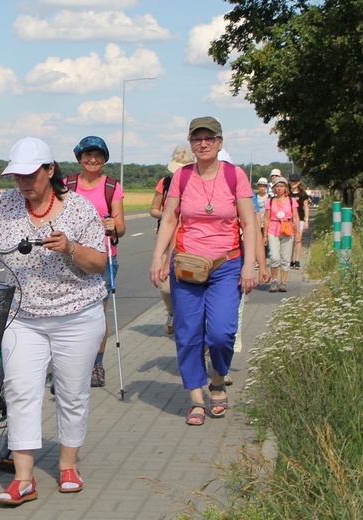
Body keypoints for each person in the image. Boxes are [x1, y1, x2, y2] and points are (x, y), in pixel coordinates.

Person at [0, 137, 107, 506]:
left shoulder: (78, 210)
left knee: (71, 392)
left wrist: (71, 249)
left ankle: (67, 466)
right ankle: (24, 479)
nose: (23, 183)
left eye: (31, 175)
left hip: (76, 314)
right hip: (23, 316)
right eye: (17, 176)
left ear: (50, 170)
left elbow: (99, 263)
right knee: (19, 391)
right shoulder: (3, 203)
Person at [149, 116, 258, 427]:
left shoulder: (235, 176)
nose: (204, 143)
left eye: (210, 138)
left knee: (222, 333)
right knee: (188, 334)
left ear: (220, 142)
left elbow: (249, 223)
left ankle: (219, 380)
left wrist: (249, 264)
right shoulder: (182, 177)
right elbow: (169, 219)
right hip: (187, 266)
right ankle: (197, 398)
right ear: (191, 144)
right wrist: (158, 258)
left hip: (227, 263)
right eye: (197, 139)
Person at [67, 136, 125, 387]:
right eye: (87, 155)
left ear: (104, 159)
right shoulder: (67, 184)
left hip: (103, 258)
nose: (93, 160)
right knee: (67, 313)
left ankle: (96, 365)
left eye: (98, 155)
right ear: (79, 158)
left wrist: (114, 225)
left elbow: (121, 227)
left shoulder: (112, 186)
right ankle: (69, 364)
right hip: (69, 258)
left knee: (97, 315)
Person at [150, 144, 195, 334]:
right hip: (168, 239)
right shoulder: (165, 183)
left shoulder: (196, 182)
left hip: (191, 240)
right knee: (166, 287)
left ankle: (190, 323)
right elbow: (153, 209)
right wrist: (168, 217)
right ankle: (172, 312)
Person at [264, 177, 300, 292]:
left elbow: (296, 217)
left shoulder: (291, 201)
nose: (279, 189)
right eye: (277, 186)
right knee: (274, 257)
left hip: (287, 230)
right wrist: (264, 235)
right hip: (273, 230)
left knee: (285, 257)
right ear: (274, 188)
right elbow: (266, 219)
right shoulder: (270, 201)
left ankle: (283, 282)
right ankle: (274, 281)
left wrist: (298, 233)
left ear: (285, 188)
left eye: (281, 186)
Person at [288, 172, 310, 269]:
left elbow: (306, 207)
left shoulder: (302, 194)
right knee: (290, 240)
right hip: (289, 220)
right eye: (292, 181)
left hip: (300, 219)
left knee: (298, 239)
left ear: (299, 182)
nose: (293, 183)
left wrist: (306, 220)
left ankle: (297, 260)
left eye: (295, 181)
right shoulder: (287, 193)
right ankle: (290, 260)